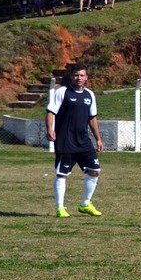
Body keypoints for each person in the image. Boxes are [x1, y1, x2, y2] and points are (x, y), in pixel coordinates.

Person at [46, 64, 106, 218]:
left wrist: (98, 139)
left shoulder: (89, 95)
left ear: (86, 77)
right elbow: (51, 112)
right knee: (62, 174)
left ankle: (85, 204)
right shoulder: (62, 92)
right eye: (76, 75)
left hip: (84, 141)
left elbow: (92, 118)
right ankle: (60, 208)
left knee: (95, 170)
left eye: (82, 75)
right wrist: (50, 129)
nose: (79, 78)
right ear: (71, 76)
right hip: (65, 141)